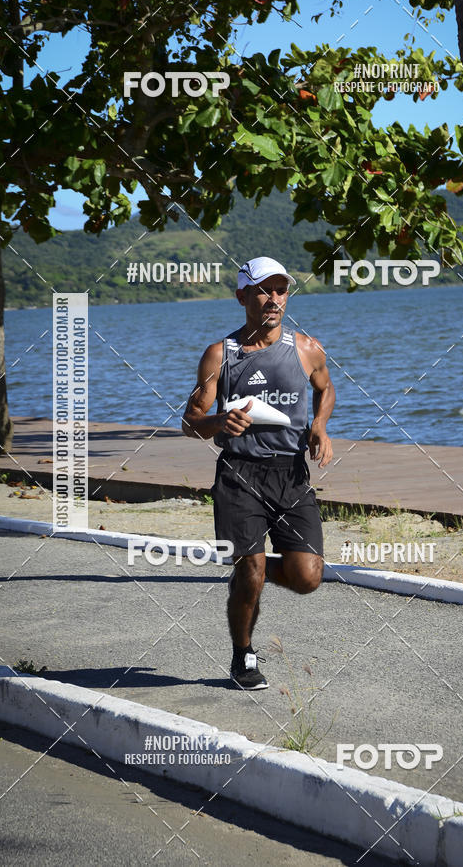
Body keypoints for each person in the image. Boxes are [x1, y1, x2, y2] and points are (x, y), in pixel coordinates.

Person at [182, 256, 335, 690]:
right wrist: (217, 424)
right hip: (239, 475)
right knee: (250, 571)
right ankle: (243, 655)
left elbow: (326, 389)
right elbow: (190, 419)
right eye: (263, 291)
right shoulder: (220, 355)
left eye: (281, 290)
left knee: (308, 577)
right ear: (242, 297)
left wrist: (319, 427)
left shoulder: (306, 348)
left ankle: (249, 568)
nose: (273, 299)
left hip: (291, 475)